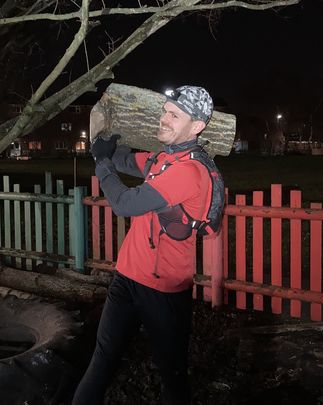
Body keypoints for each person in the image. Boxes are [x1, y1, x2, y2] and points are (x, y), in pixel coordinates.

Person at [73, 85, 216, 405]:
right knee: (103, 357)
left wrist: (102, 164)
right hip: (127, 278)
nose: (163, 119)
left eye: (174, 115)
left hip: (163, 290)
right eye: (165, 111)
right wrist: (106, 147)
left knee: (172, 375)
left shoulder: (191, 173)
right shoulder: (163, 159)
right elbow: (128, 161)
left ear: (197, 127)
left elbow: (124, 202)